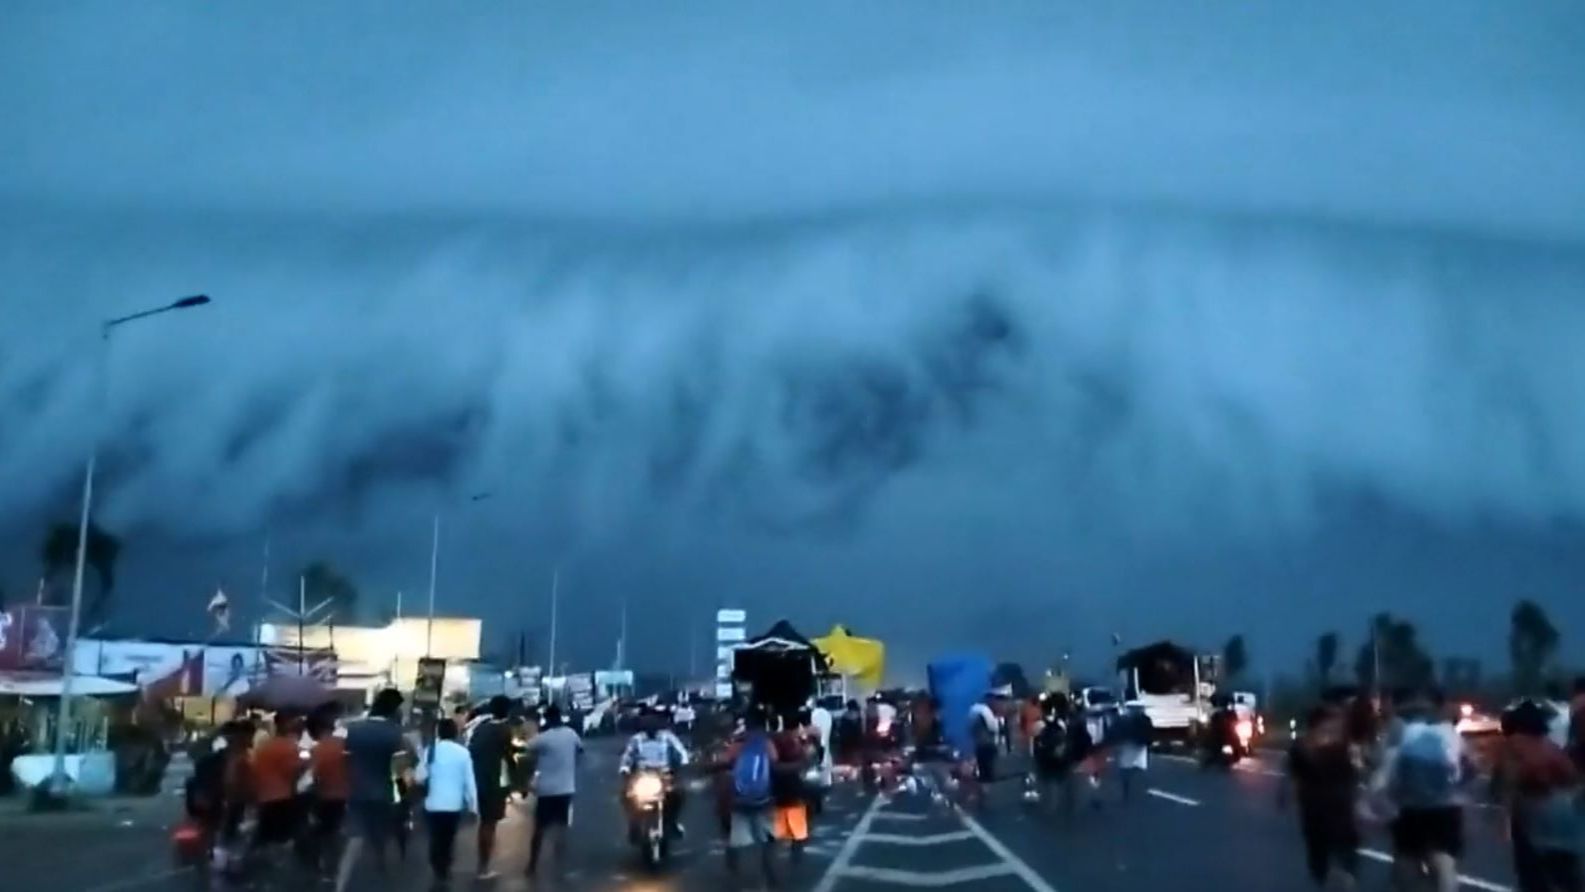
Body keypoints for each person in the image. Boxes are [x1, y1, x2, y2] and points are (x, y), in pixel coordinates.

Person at [1372, 687, 1471, 892]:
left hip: (1409, 807)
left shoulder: (1396, 730)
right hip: (1447, 806)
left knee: (1406, 860)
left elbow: (1383, 769)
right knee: (1445, 860)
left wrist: (1378, 803)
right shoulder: (1449, 732)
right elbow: (1470, 767)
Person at [1493, 700, 1584, 892]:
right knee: (1567, 874)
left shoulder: (1513, 745)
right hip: (1564, 811)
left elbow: (1509, 784)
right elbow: (1574, 779)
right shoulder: (1551, 746)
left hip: (1532, 811)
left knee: (1532, 875)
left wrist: (1505, 822)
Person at [335, 688, 416, 892]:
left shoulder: (353, 730)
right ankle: (379, 878)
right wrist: (406, 796)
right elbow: (401, 772)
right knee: (380, 839)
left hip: (356, 792)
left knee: (354, 839)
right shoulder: (396, 734)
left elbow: (344, 762)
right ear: (394, 709)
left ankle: (340, 885)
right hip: (384, 794)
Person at [1281, 705, 1361, 890]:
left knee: (1328, 861)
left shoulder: (1303, 748)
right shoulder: (1341, 748)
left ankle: (1337, 880)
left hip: (1326, 813)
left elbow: (1291, 779)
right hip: (1327, 813)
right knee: (1330, 861)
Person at [723, 707, 780, 887]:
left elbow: (726, 762)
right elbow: (774, 763)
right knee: (767, 839)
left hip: (740, 801)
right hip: (763, 800)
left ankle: (735, 873)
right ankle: (769, 874)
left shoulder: (738, 743)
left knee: (736, 839)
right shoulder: (767, 743)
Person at [524, 705, 582, 879]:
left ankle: (532, 865)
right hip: (566, 788)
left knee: (539, 830)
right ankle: (560, 866)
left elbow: (527, 749)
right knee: (561, 828)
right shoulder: (571, 734)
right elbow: (579, 752)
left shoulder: (543, 738)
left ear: (547, 719)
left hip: (546, 790)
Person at [418, 718, 477, 889]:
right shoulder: (463, 753)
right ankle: (445, 866)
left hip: (433, 803)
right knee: (449, 837)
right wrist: (474, 806)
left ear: (438, 732)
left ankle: (437, 868)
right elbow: (469, 782)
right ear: (455, 732)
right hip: (454, 805)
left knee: (435, 837)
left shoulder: (431, 751)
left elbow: (419, 776)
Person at [620, 705, 690, 839]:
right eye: (646, 719)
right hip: (642, 776)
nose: (649, 722)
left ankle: (672, 821)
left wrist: (681, 767)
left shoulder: (668, 737)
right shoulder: (636, 739)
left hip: (664, 775)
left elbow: (681, 753)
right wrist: (625, 770)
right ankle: (634, 823)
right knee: (626, 796)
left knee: (679, 794)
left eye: (652, 719)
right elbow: (627, 758)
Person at [467, 695, 515, 880]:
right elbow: (509, 757)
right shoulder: (503, 730)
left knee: (485, 824)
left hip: (478, 779)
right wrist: (518, 780)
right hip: (493, 782)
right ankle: (483, 868)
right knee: (489, 825)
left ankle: (483, 866)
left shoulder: (481, 728)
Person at [251, 712, 306, 856]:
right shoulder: (289, 747)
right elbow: (293, 772)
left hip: (264, 796)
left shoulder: (266, 746)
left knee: (264, 836)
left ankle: (250, 865)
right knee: (282, 837)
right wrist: (304, 764)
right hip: (282, 797)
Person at [308, 709, 350, 874]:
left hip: (324, 797)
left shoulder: (317, 750)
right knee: (336, 833)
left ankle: (323, 866)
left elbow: (313, 776)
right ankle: (335, 867)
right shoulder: (345, 744)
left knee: (323, 833)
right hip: (345, 796)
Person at [771, 713, 813, 862]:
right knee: (798, 830)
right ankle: (795, 855)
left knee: (779, 830)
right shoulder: (795, 741)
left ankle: (776, 859)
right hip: (794, 789)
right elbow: (806, 760)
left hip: (777, 790)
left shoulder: (773, 740)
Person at [1111, 702, 1154, 802]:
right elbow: (1150, 732)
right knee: (1138, 768)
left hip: (1127, 746)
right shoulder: (1145, 719)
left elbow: (1115, 733)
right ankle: (1139, 791)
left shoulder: (1122, 719)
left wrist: (1116, 745)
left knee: (1126, 771)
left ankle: (1127, 792)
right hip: (1138, 745)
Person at [969, 695, 1000, 782]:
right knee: (989, 766)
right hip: (987, 743)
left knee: (982, 766)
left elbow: (970, 730)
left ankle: (984, 781)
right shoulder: (984, 710)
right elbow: (993, 727)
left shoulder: (972, 712)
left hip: (979, 745)